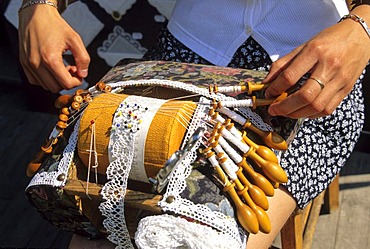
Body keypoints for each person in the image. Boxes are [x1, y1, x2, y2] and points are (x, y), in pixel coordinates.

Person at [18, 0, 369, 248]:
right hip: (180, 57)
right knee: (98, 224)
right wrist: (39, 4)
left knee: (201, 236)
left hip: (308, 73)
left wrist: (363, 28)